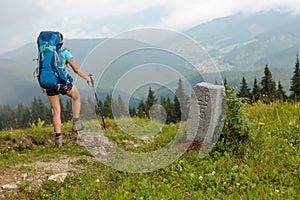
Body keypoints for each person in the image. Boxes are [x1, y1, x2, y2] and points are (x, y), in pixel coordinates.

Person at [45, 33, 93, 147]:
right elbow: (75, 69)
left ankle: (58, 140)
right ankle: (76, 122)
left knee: (56, 111)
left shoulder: (46, 53)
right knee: (76, 97)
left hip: (50, 84)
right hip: (63, 83)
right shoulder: (64, 53)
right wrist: (87, 78)